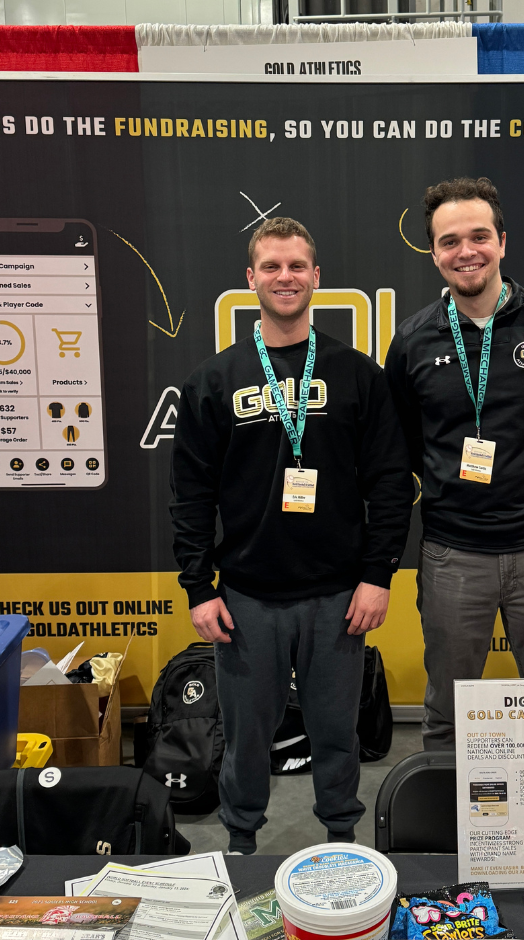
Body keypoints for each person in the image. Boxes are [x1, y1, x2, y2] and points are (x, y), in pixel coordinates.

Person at [171, 217, 412, 854]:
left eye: (297, 266)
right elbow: (190, 495)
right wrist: (199, 587)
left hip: (338, 595)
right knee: (247, 737)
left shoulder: (357, 374)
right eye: (272, 267)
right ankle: (241, 845)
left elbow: (390, 483)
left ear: (316, 277)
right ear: (251, 278)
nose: (286, 277)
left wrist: (377, 576)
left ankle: (342, 840)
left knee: (337, 732)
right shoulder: (213, 380)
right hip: (247, 597)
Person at [385, 176, 524, 751]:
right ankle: (445, 834)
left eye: (479, 236)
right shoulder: (411, 342)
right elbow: (407, 442)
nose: (467, 252)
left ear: (502, 242)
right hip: (453, 554)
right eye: (450, 241)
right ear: (434, 253)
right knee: (448, 715)